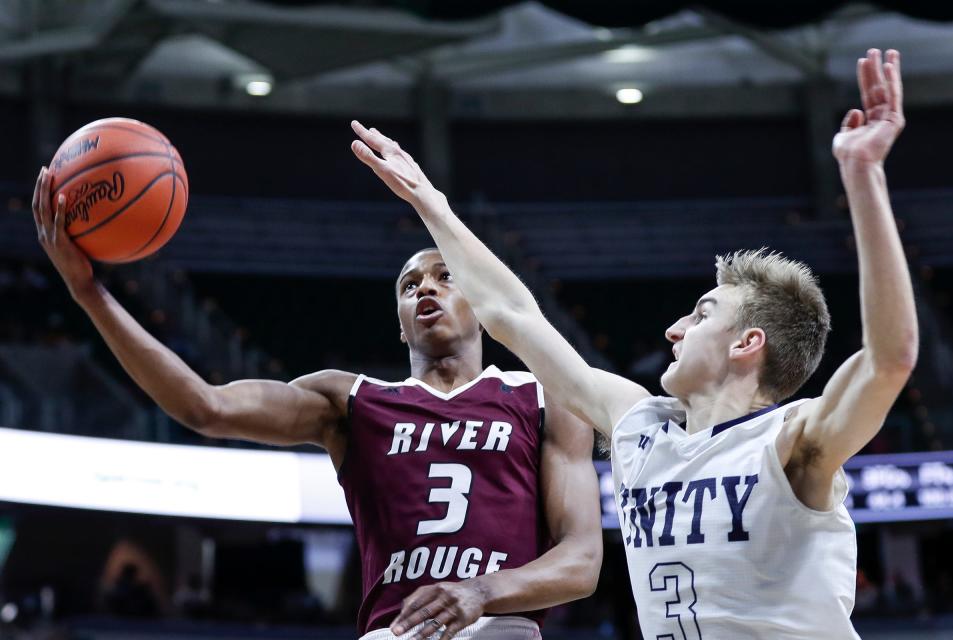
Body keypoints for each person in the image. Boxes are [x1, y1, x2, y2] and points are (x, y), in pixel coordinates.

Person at [351, 48, 916, 639]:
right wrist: (429, 203)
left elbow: (890, 358)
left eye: (700, 315)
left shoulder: (793, 440)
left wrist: (863, 175)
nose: (673, 330)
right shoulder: (637, 423)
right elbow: (512, 315)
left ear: (748, 343)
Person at [31, 182, 602, 637]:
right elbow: (204, 407)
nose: (425, 289)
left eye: (444, 276)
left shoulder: (544, 397)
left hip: (502, 626)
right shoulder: (350, 401)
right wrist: (90, 294)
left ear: (482, 304)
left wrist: (480, 590)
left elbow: (581, 562)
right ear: (399, 322)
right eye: (409, 286)